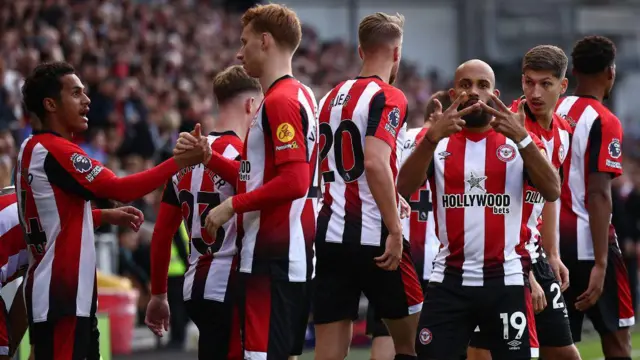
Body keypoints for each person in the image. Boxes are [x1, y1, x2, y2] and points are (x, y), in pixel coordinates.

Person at [16, 61, 208, 360]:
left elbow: (50, 219)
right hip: (63, 297)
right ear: (50, 104)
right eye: (76, 93)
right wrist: (180, 161)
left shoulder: (29, 148)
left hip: (53, 294)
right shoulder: (57, 150)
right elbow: (121, 189)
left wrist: (104, 216)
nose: (87, 100)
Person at [177, 4, 318, 359]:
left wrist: (230, 205)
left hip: (272, 259)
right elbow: (253, 177)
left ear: (265, 41)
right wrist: (210, 159)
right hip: (288, 255)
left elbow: (295, 181)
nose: (239, 52)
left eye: (245, 42)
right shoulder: (298, 95)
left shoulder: (280, 101)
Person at [398, 59, 561, 360]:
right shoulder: (433, 141)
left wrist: (522, 137)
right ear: (452, 93)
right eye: (465, 85)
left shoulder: (520, 141)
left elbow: (552, 190)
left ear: (494, 94)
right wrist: (433, 136)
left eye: (482, 86)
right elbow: (403, 188)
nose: (474, 92)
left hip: (505, 281)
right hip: (449, 279)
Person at [307, 12, 424, 360]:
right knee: (412, 343)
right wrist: (394, 227)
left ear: (360, 51)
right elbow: (374, 162)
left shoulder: (328, 97)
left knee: (329, 351)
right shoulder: (389, 96)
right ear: (397, 52)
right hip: (374, 236)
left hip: (328, 235)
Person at [467, 45, 580, 360]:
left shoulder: (562, 132)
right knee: (484, 353)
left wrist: (553, 253)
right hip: (498, 260)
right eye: (529, 82)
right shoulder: (504, 128)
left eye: (545, 84)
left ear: (563, 85)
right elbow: (492, 207)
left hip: (534, 253)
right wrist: (524, 276)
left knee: (563, 352)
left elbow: (549, 194)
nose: (535, 92)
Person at [145, 65, 262, 360]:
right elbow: (260, 185)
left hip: (194, 287)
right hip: (230, 284)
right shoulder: (242, 154)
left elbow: (161, 234)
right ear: (251, 105)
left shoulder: (185, 156)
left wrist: (158, 294)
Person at [555, 35, 635, 359]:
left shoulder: (551, 109)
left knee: (558, 345)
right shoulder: (603, 119)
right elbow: (599, 193)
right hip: (590, 243)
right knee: (617, 340)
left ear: (573, 72)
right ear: (610, 73)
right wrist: (601, 263)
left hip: (550, 246)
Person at [366, 91, 449, 360]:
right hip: (436, 263)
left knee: (385, 334)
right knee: (432, 344)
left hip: (394, 254)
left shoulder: (396, 140)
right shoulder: (452, 146)